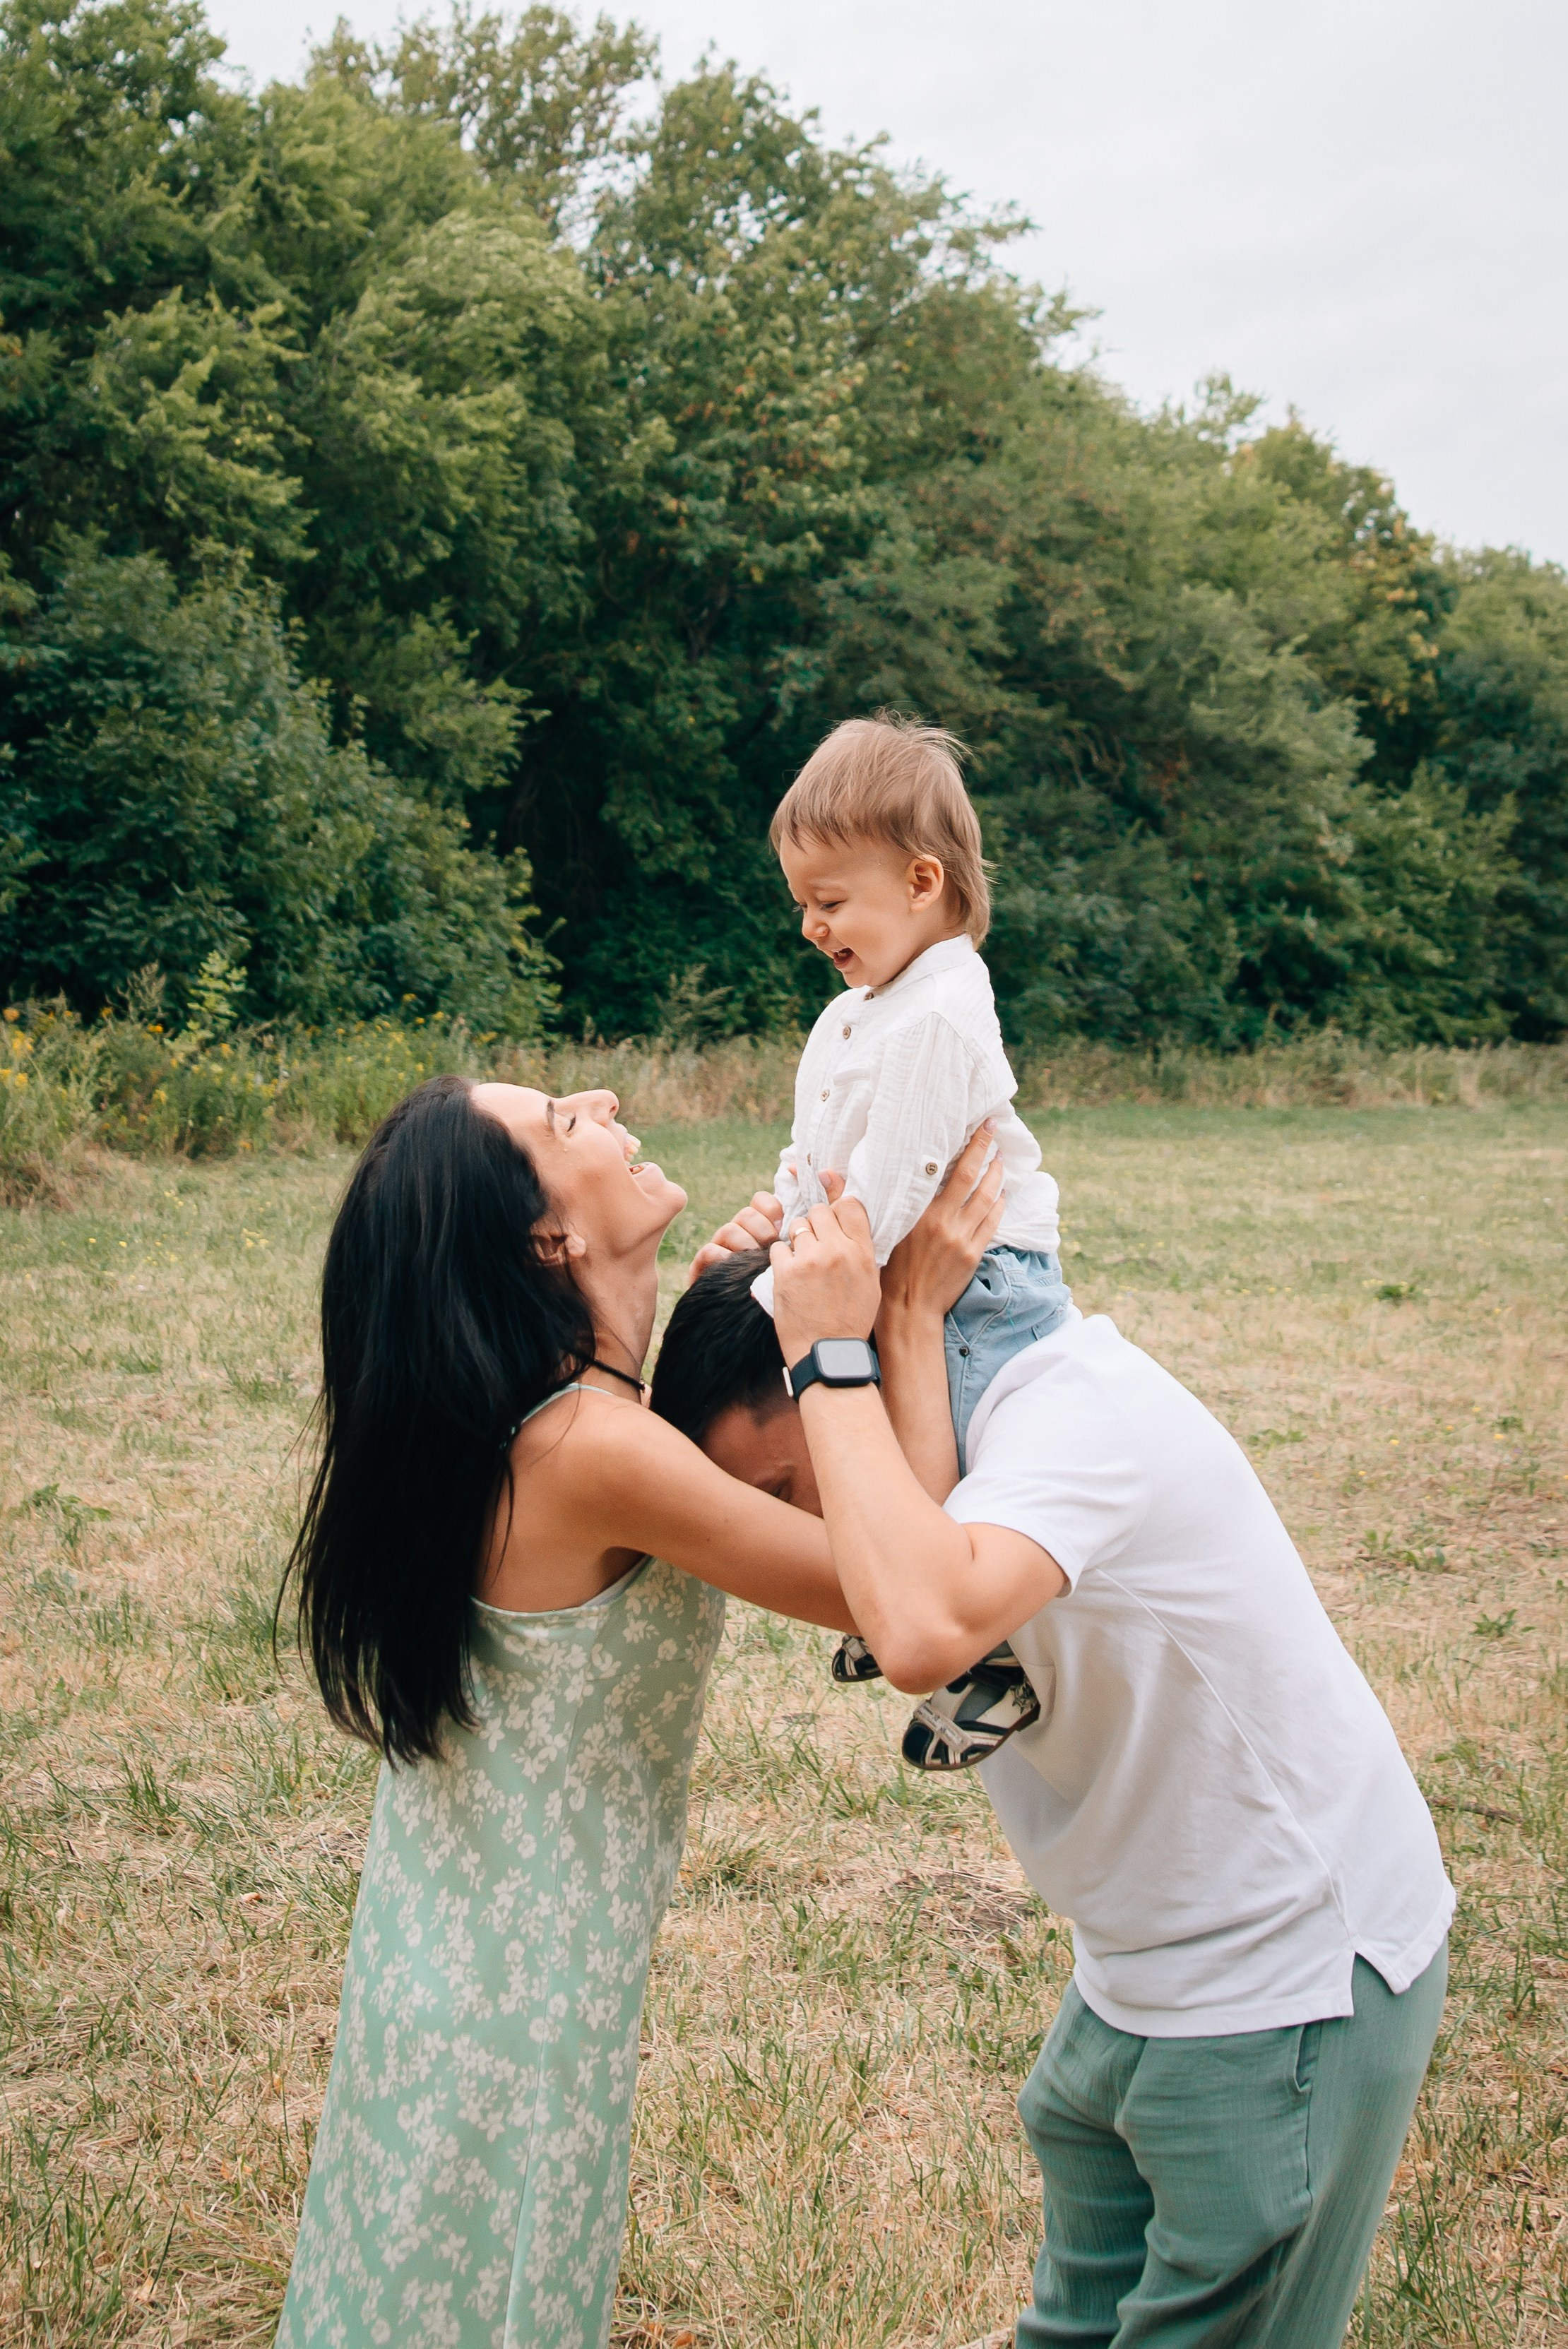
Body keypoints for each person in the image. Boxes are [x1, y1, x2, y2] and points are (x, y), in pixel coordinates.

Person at [651, 1143, 1454, 2349]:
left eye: (781, 1486)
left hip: (1286, 1981)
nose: (802, 1530)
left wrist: (836, 1348)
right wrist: (833, 1314)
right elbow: (907, 1568)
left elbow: (922, 1626)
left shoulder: (1070, 1414)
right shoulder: (941, 1448)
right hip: (1134, 1976)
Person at [273, 1074, 855, 2349]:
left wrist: (730, 1318)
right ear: (550, 1236)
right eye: (561, 1120)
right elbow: (885, 1587)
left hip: (461, 1972)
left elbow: (700, 1464)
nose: (599, 1098)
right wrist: (848, 1341)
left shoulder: (560, 1419)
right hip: (512, 2009)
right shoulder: (592, 1449)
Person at [755, 712, 1071, 1771]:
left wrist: (796, 1293)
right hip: (889, 1263)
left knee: (964, 1445)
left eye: (830, 901)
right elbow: (811, 1150)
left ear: (922, 881)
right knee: (885, 1428)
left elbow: (893, 1189)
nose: (812, 927)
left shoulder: (939, 1014)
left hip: (984, 1282)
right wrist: (785, 1232)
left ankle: (991, 1649)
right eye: (802, 905)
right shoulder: (860, 1009)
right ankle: (895, 1577)